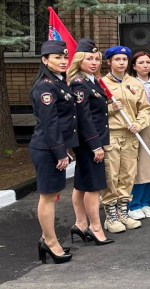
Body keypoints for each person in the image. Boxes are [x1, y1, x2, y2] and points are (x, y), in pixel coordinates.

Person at [30, 40, 76, 263]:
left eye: (65, 57)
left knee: (52, 195)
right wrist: (59, 152)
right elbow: (50, 123)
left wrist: (63, 148)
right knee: (47, 197)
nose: (63, 61)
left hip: (53, 146)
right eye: (57, 57)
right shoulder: (45, 87)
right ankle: (50, 242)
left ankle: (45, 238)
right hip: (46, 148)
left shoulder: (58, 82)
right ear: (45, 60)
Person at [67, 39, 114, 246]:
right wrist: (96, 145)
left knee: (81, 184)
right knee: (93, 186)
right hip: (89, 143)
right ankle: (95, 227)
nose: (94, 62)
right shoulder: (79, 83)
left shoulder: (92, 81)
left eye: (97, 59)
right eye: (89, 59)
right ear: (79, 60)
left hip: (90, 140)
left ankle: (80, 224)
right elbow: (84, 118)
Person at [100, 46, 149, 232]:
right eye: (117, 59)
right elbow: (93, 112)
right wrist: (110, 109)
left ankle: (123, 212)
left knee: (128, 175)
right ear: (109, 62)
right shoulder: (102, 84)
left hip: (131, 134)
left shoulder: (135, 83)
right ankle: (111, 217)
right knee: (111, 175)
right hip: (112, 134)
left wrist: (139, 123)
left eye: (124, 59)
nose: (121, 63)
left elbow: (144, 108)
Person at [128, 51, 150, 221]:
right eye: (141, 63)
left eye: (148, 62)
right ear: (134, 66)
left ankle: (146, 202)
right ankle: (134, 204)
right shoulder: (130, 84)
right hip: (139, 129)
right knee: (140, 168)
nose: (145, 65)